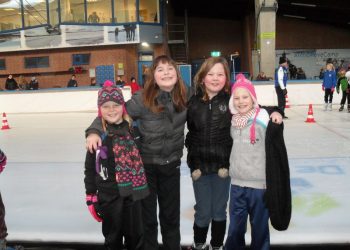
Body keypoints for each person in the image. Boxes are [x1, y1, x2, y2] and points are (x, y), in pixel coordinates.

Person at [86, 55, 188, 250]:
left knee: (170, 218)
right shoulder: (142, 98)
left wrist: (262, 110)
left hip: (171, 165)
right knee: (147, 219)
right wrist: (93, 131)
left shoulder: (185, 94)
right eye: (160, 69)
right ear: (153, 75)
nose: (166, 73)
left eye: (169, 68)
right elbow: (114, 113)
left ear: (177, 72)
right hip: (146, 167)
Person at [186, 58, 283, 250]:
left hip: (224, 168)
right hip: (200, 167)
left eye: (220, 74)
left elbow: (253, 105)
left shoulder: (230, 101)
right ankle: (199, 244)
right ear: (202, 77)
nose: (215, 78)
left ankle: (217, 245)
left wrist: (277, 110)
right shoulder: (192, 101)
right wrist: (193, 160)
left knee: (220, 211)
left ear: (226, 78)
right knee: (203, 210)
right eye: (210, 74)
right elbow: (185, 129)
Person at [225, 74, 291, 250]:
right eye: (236, 98)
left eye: (245, 97)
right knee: (235, 228)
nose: (241, 101)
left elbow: (273, 114)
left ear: (253, 98)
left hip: (260, 186)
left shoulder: (262, 115)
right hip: (237, 184)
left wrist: (277, 112)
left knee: (260, 227)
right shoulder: (231, 120)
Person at [84, 80, 149, 250]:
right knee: (113, 238)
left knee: (136, 237)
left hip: (133, 194)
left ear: (123, 106)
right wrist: (91, 196)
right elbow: (90, 169)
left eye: (116, 105)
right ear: (100, 110)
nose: (111, 110)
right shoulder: (98, 137)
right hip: (109, 195)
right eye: (106, 106)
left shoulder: (133, 130)